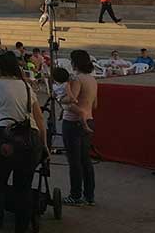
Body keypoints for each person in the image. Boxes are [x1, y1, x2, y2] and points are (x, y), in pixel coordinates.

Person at [0, 51, 47, 233]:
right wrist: (44, 145)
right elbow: (40, 119)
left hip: (5, 141)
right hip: (29, 140)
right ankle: (22, 227)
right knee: (24, 188)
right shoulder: (26, 86)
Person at [61, 50, 97, 207]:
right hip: (88, 119)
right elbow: (95, 104)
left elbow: (71, 101)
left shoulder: (76, 79)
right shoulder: (92, 79)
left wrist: (61, 100)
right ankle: (89, 196)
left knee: (74, 161)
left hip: (73, 122)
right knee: (85, 160)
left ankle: (75, 195)